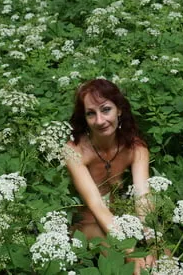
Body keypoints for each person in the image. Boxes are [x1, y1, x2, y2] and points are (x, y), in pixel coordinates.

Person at [66, 79, 154, 274]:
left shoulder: (136, 148)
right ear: (85, 118)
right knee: (130, 264)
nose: (99, 120)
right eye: (91, 113)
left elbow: (143, 199)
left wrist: (153, 240)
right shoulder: (75, 151)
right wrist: (131, 250)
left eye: (106, 109)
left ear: (119, 110)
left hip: (123, 220)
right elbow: (96, 206)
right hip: (87, 224)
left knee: (161, 256)